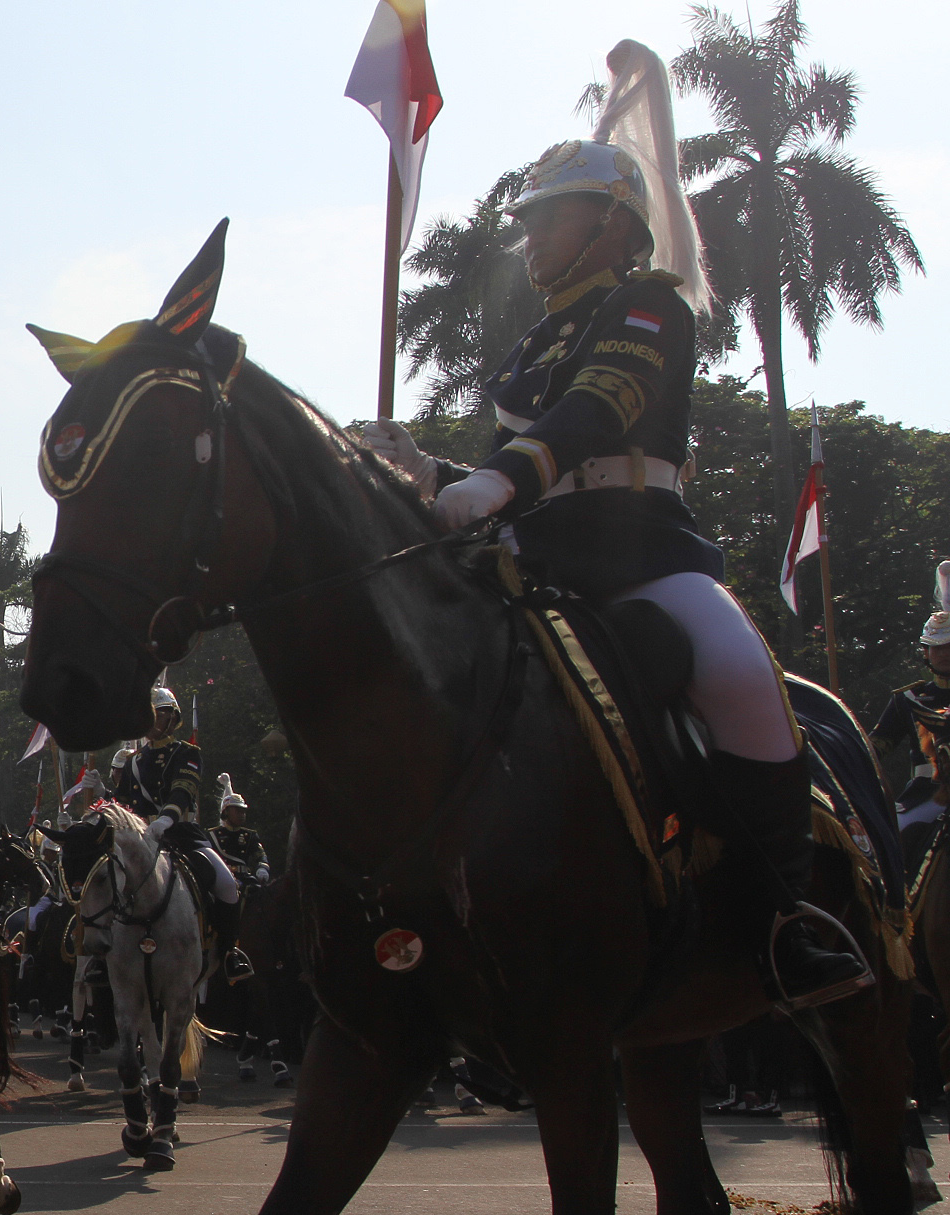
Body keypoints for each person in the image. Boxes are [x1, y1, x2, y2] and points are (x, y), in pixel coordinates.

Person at [361, 51, 867, 1007]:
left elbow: (599, 408)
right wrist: (427, 474)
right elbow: (511, 473)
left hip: (642, 558)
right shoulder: (531, 344)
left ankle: (788, 921)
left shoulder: (649, 306)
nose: (531, 236)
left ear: (610, 224)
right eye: (530, 220)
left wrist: (498, 480)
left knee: (740, 676)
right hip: (537, 563)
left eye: (549, 216)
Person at [108, 683, 249, 979]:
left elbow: (183, 790)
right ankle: (99, 953)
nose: (152, 721)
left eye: (158, 714)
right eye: (147, 716)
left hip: (179, 834)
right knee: (101, 882)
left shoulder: (187, 753)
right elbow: (120, 803)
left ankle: (229, 952)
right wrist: (100, 802)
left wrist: (165, 820)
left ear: (172, 718)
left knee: (226, 885)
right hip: (139, 837)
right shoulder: (132, 762)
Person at [872, 561, 950, 857]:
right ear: (926, 651)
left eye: (949, 646)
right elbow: (877, 746)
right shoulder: (909, 699)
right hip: (926, 796)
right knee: (894, 842)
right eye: (936, 647)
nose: (943, 653)